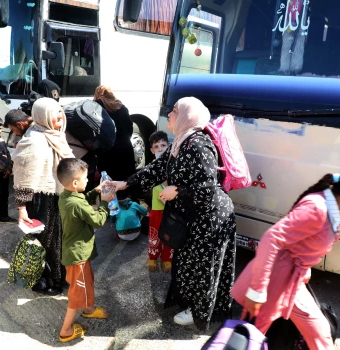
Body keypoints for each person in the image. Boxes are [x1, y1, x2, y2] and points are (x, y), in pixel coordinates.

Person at [114, 97, 237, 330]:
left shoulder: (199, 144)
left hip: (210, 217)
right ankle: (191, 302)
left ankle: (200, 311)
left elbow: (209, 189)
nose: (169, 115)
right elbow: (156, 169)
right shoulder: (181, 141)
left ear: (186, 116)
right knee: (187, 261)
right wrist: (125, 184)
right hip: (193, 215)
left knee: (202, 266)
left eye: (174, 111)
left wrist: (177, 190)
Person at [231, 164, 340, 350]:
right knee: (248, 340)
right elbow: (272, 239)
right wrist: (258, 290)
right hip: (274, 281)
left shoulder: (330, 207)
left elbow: (304, 242)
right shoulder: (318, 208)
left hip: (291, 282)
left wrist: (305, 266)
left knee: (320, 333)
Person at [12, 97, 74, 295]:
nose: (60, 117)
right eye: (55, 114)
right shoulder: (33, 140)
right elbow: (23, 176)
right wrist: (22, 207)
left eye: (60, 112)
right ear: (43, 116)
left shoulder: (57, 135)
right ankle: (40, 281)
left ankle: (58, 277)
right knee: (43, 243)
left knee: (58, 240)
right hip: (39, 200)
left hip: (58, 196)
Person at [56, 158, 112, 343]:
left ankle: (88, 310)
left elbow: (81, 203)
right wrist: (104, 202)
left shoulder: (67, 196)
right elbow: (98, 220)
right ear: (74, 182)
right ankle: (66, 330)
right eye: (86, 178)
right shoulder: (76, 203)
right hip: (77, 257)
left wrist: (93, 192)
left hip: (75, 254)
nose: (88, 180)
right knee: (76, 294)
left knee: (86, 285)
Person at [94, 86, 136, 191]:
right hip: (126, 148)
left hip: (108, 151)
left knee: (109, 185)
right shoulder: (121, 107)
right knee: (127, 182)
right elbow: (129, 127)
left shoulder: (97, 106)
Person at [146, 131, 173, 272]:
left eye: (163, 145)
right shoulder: (151, 168)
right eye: (156, 146)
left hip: (171, 209)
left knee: (170, 235)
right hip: (157, 209)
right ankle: (152, 257)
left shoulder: (173, 165)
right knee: (154, 235)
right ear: (152, 150)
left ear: (168, 146)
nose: (160, 149)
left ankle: (167, 258)